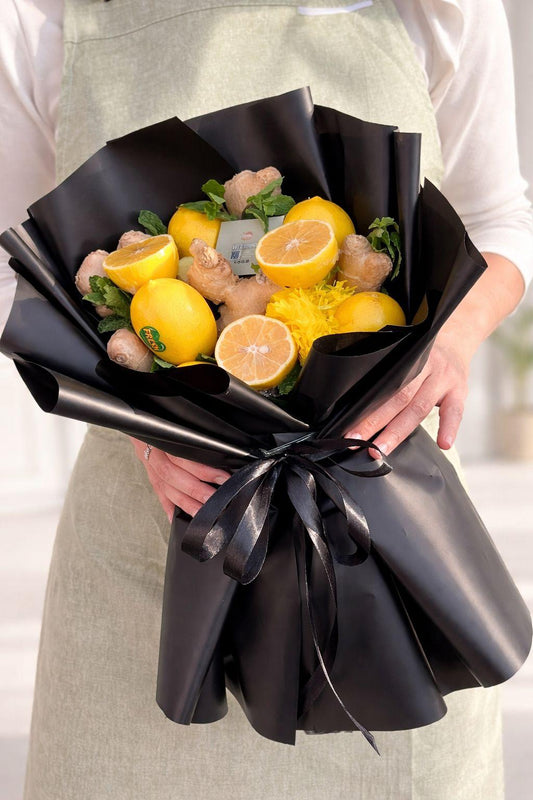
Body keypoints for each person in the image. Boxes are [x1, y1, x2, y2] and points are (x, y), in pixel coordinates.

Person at [0, 1, 531, 798]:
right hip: (153, 538)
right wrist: (149, 427)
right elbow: (15, 269)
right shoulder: (42, 17)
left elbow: (499, 221)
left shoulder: (439, 8)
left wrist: (448, 345)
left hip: (375, 535)